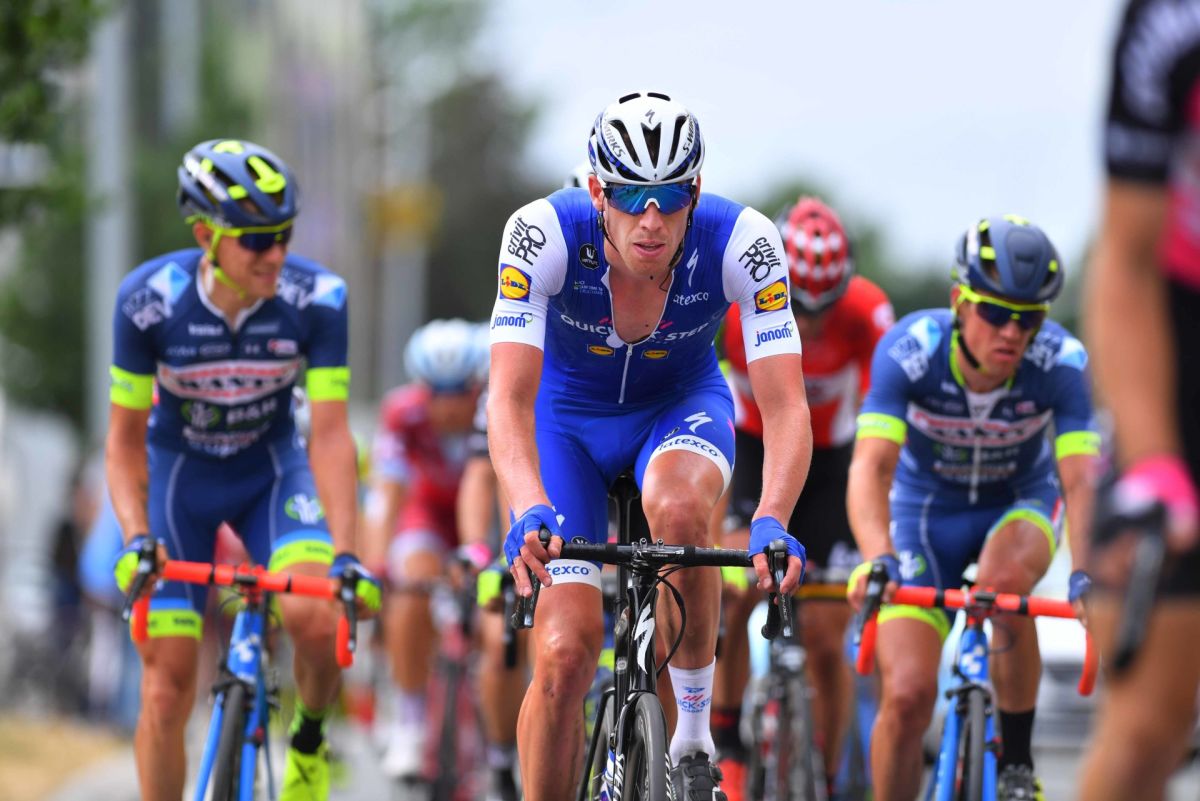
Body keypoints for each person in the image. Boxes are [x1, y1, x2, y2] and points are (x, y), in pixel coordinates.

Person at [489, 91, 811, 801]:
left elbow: (786, 405)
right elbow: (508, 399)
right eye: (632, 195)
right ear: (597, 190)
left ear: (696, 189)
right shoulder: (540, 233)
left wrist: (773, 517)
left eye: (671, 195)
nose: (652, 218)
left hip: (678, 408)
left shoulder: (744, 240)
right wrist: (528, 503)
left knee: (681, 511)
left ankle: (693, 739)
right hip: (566, 423)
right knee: (564, 656)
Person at [107, 139, 379, 801]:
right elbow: (122, 442)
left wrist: (347, 554)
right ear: (206, 236)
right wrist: (137, 536)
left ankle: (308, 739)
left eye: (284, 235)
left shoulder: (319, 298)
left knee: (317, 619)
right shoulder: (147, 301)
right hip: (180, 481)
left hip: (272, 473)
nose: (276, 254)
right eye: (257, 240)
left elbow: (331, 435)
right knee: (165, 686)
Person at [846, 215, 1099, 801]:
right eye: (995, 312)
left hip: (1020, 502)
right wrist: (878, 557)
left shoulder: (1062, 362)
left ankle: (1016, 765)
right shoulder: (911, 350)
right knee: (907, 697)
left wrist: (1087, 573)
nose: (1012, 332)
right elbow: (871, 468)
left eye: (1029, 318)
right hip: (925, 513)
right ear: (960, 302)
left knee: (1003, 588)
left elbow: (1082, 480)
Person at [717, 196, 894, 799]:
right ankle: (728, 745)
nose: (812, 324)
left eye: (826, 308)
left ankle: (827, 773)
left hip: (830, 461)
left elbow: (882, 418)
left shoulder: (869, 312)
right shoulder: (736, 309)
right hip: (752, 448)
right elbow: (711, 408)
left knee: (825, 632)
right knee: (734, 591)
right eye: (800, 305)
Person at [1076, 2, 1200, 798]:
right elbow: (1125, 257)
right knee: (1149, 726)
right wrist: (1155, 462)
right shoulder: (1170, 23)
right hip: (1180, 338)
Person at [362, 318, 489, 780]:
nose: (448, 404)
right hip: (429, 515)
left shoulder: (494, 404)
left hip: (487, 516)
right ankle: (411, 718)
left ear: (476, 385)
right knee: (409, 585)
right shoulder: (402, 413)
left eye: (459, 391)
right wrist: (378, 565)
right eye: (436, 391)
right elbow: (387, 494)